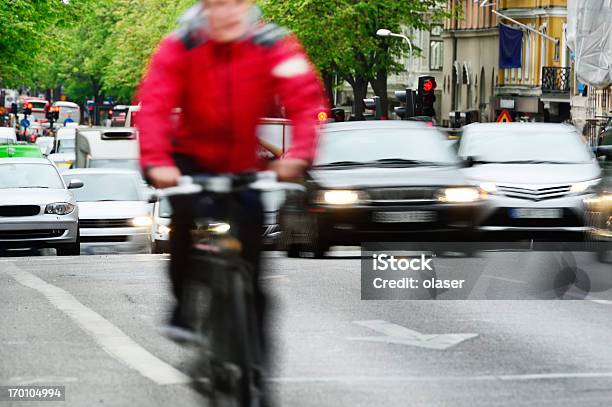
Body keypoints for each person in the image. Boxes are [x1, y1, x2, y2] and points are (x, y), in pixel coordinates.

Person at [136, 0, 327, 347]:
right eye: (219, 4)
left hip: (242, 164)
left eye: (237, 2)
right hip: (191, 158)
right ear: (205, 7)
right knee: (185, 221)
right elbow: (155, 105)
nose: (229, 12)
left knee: (252, 254)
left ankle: (254, 356)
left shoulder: (272, 45)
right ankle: (183, 307)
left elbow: (305, 100)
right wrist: (157, 162)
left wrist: (299, 155)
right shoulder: (180, 46)